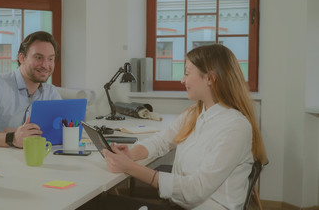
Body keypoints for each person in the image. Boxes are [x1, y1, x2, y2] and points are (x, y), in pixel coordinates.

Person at [103, 44, 267, 210]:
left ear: (210, 79)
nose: (182, 80)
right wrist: (131, 154)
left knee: (102, 204)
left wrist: (130, 167)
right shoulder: (194, 114)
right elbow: (162, 141)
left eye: (187, 73)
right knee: (104, 203)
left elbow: (196, 189)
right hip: (182, 205)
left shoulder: (235, 128)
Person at [0, 31, 62, 148]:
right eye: (38, 57)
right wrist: (12, 137)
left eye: (50, 59)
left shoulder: (51, 93)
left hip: (37, 161)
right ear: (22, 58)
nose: (46, 65)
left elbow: (56, 134)